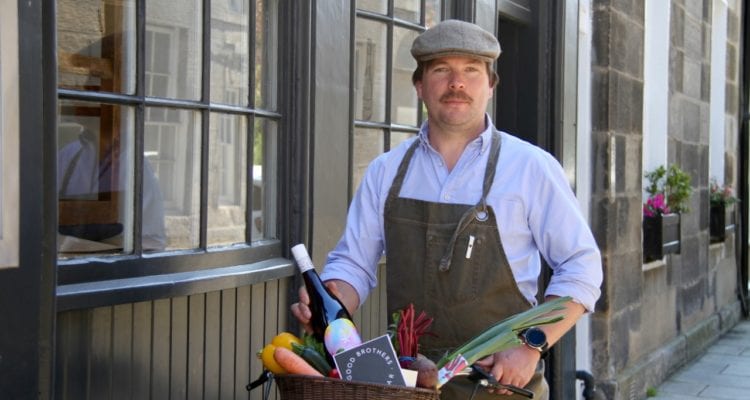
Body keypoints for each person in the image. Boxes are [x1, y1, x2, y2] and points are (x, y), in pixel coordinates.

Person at [291, 19, 602, 399]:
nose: (457, 83)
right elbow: (354, 263)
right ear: (420, 85)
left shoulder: (530, 168)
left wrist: (529, 345)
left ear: (490, 86)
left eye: (471, 71)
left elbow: (581, 268)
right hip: (407, 382)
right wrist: (330, 297)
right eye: (442, 70)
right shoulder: (386, 171)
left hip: (500, 387)